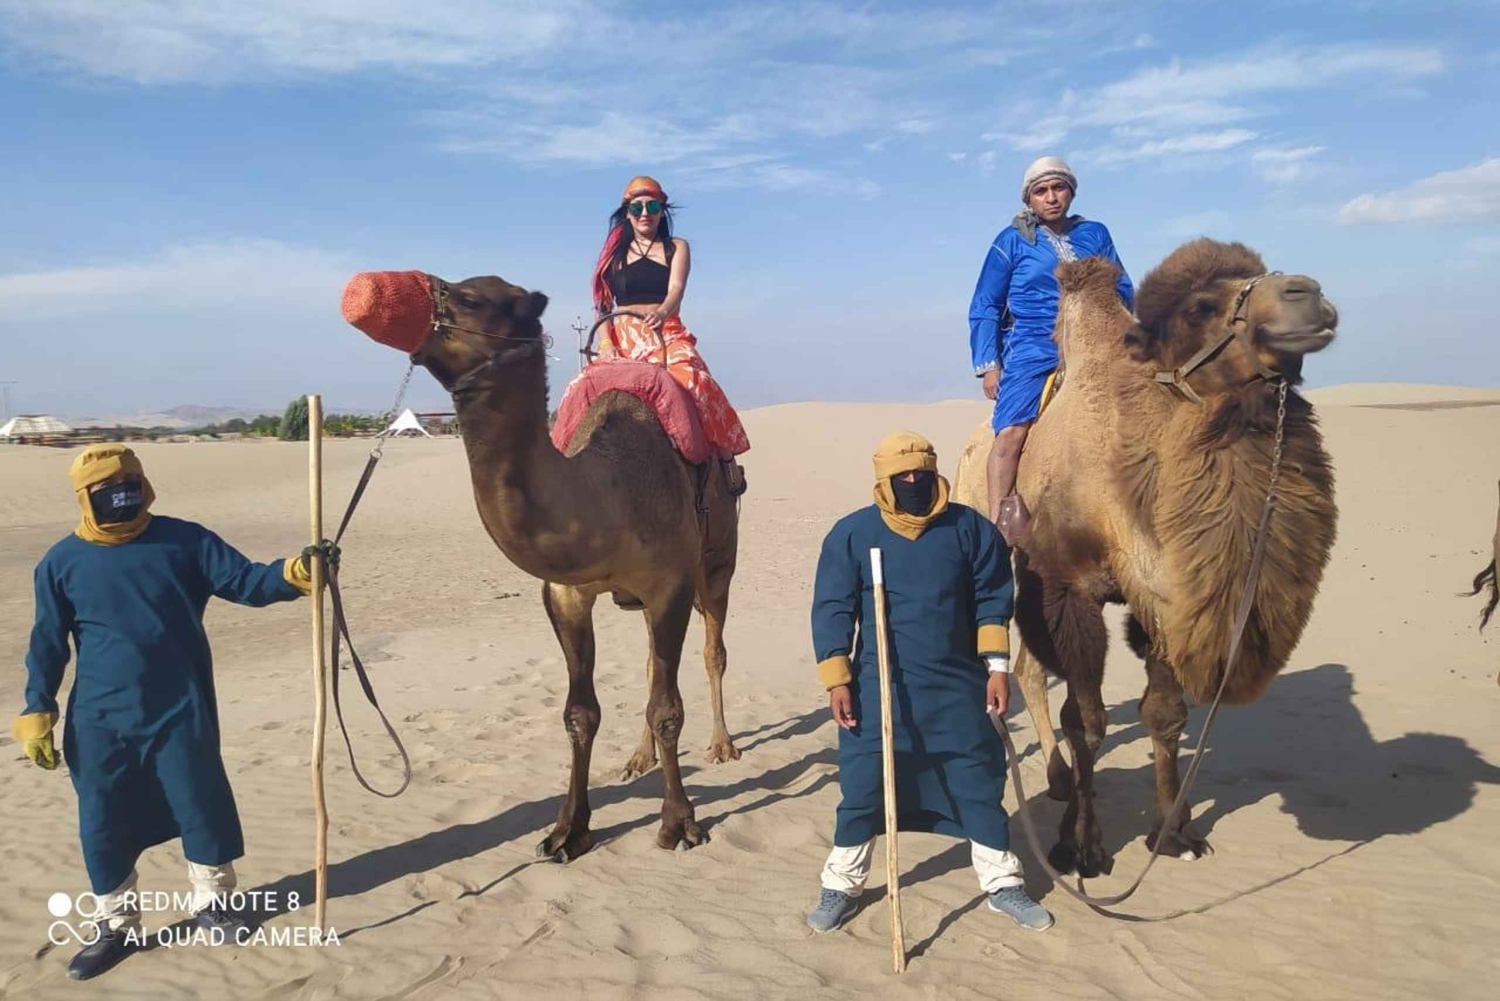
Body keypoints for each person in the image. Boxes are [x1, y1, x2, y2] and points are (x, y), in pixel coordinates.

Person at [12, 444, 319, 981]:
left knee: (198, 801)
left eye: (133, 484)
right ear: (86, 498)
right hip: (99, 719)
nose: (125, 496)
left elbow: (246, 581)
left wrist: (293, 572)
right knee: (103, 820)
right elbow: (47, 644)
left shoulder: (186, 540)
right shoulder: (61, 562)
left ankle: (215, 903)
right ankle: (116, 924)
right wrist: (38, 707)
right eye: (111, 490)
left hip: (180, 706)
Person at [803, 431, 1053, 935]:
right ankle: (843, 886)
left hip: (957, 686)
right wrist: (837, 679)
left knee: (977, 780)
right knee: (862, 788)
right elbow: (833, 610)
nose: (914, 482)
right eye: (903, 477)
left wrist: (998, 667)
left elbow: (991, 601)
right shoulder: (852, 535)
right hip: (878, 687)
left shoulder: (970, 530)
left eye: (921, 472)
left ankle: (1002, 883)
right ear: (884, 480)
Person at [967, 156, 1133, 540]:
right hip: (1034, 344)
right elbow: (985, 304)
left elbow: (1123, 287)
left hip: (1097, 340)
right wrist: (990, 365)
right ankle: (1000, 525)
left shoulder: (1095, 234)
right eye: (1041, 191)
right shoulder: (1012, 241)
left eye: (1059, 188)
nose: (1051, 197)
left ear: (1071, 191)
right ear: (1029, 199)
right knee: (1009, 434)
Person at [590, 174, 751, 464]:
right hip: (620, 338)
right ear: (627, 213)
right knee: (583, 389)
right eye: (637, 208)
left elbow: (676, 289)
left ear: (661, 211)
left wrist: (662, 312)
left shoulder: (676, 247)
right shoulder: (611, 257)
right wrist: (605, 344)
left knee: (695, 382)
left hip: (666, 332)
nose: (644, 214)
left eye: (651, 207)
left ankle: (724, 463)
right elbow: (602, 307)